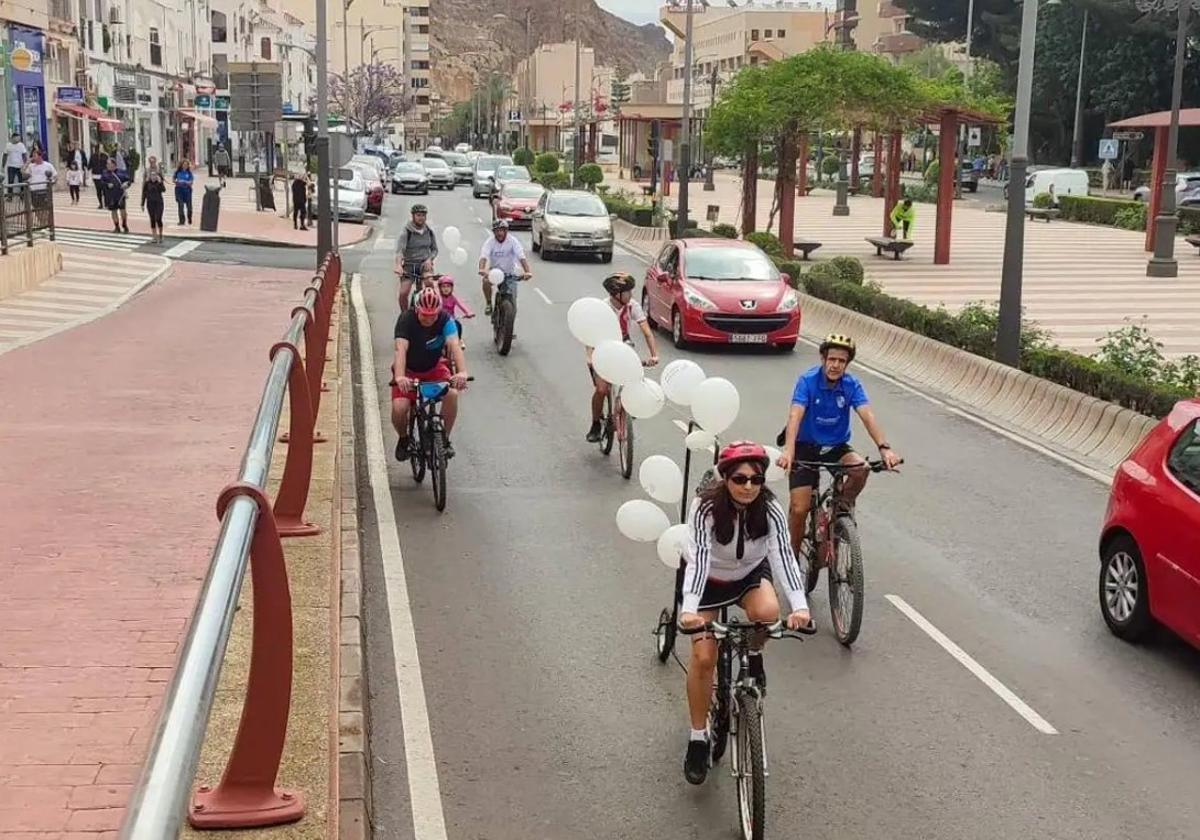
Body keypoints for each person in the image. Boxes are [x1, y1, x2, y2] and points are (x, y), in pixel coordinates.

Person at [678, 441, 811, 785]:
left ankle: (753, 652)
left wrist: (800, 606)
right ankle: (696, 738)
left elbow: (782, 554)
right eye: (740, 478)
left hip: (749, 573)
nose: (749, 486)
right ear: (726, 478)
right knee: (704, 657)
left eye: (756, 479)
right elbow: (700, 557)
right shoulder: (706, 507)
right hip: (707, 578)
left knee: (768, 612)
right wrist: (690, 610)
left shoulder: (769, 508)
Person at [776, 334, 902, 561]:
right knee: (799, 508)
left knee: (860, 468)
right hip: (805, 447)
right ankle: (791, 562)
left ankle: (840, 508)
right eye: (831, 359)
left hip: (836, 446)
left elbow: (867, 415)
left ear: (847, 364)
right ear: (823, 359)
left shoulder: (851, 385)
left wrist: (885, 448)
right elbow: (795, 416)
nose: (835, 365)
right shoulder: (807, 381)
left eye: (841, 361)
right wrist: (789, 452)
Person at [391, 287, 470, 462]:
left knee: (452, 394)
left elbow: (454, 345)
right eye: (424, 315)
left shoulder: (445, 320)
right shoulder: (406, 320)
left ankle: (445, 439)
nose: (428, 319)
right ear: (417, 310)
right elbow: (400, 350)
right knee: (399, 408)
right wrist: (400, 377)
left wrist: (462, 372)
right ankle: (404, 438)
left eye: (433, 315)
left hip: (434, 368)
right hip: (408, 370)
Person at [585, 272, 660, 442]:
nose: (631, 295)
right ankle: (596, 424)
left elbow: (647, 332)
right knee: (602, 389)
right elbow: (589, 334)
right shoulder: (602, 308)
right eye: (628, 292)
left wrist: (654, 355)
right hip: (602, 346)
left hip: (623, 344)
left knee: (633, 378)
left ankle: (628, 408)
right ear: (616, 294)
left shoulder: (633, 306)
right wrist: (589, 356)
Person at [477, 219, 532, 317]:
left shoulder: (513, 241)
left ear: (506, 231)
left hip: (510, 273)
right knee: (485, 281)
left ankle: (509, 327)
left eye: (502, 230)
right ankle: (489, 303)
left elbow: (521, 256)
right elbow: (483, 256)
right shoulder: (490, 242)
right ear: (494, 232)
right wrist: (482, 269)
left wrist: (527, 272)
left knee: (513, 303)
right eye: (497, 231)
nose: (499, 233)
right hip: (495, 273)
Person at [394, 203, 438, 310]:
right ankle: (404, 314)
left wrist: (429, 259)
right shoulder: (406, 232)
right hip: (409, 265)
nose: (421, 218)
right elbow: (400, 251)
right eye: (418, 215)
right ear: (413, 216)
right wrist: (399, 265)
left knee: (429, 284)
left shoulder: (429, 231)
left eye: (423, 215)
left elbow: (434, 250)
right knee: (403, 293)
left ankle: (430, 309)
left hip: (424, 265)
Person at [436, 275, 475, 343]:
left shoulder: (453, 297)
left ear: (452, 288)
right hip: (440, 319)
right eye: (443, 287)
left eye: (448, 286)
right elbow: (439, 305)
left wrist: (468, 312)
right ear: (440, 288)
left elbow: (461, 304)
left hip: (451, 319)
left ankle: (458, 341)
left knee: (458, 325)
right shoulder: (438, 297)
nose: (446, 289)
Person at [99, 157, 132, 233]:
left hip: (120, 195)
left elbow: (128, 180)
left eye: (109, 164)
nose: (107, 165)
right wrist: (107, 184)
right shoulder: (105, 173)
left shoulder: (121, 172)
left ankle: (124, 224)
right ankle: (117, 227)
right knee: (113, 211)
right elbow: (101, 183)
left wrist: (127, 184)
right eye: (107, 164)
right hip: (110, 196)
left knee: (123, 210)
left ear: (114, 164)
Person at [141, 157, 167, 243]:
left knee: (158, 218)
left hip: (159, 202)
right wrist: (142, 203)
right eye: (150, 161)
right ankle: (154, 236)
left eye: (154, 175)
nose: (153, 176)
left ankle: (161, 235)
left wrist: (159, 181)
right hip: (150, 202)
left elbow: (164, 189)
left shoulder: (159, 172)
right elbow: (144, 192)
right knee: (152, 218)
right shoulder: (147, 179)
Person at [173, 159, 194, 225]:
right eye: (184, 165)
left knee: (189, 207)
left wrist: (185, 182)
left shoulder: (189, 173)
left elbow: (191, 182)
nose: (185, 166)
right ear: (181, 165)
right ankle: (182, 220)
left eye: (186, 165)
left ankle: (189, 218)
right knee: (181, 206)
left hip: (187, 191)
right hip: (179, 190)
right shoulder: (177, 172)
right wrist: (176, 181)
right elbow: (173, 179)